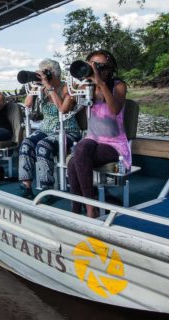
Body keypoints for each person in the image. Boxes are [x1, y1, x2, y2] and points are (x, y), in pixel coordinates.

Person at [67, 50, 129, 218]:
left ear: (111, 69)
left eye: (102, 67)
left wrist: (100, 83)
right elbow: (65, 108)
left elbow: (115, 109)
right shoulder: (86, 87)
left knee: (76, 158)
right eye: (93, 66)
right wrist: (72, 87)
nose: (97, 71)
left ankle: (89, 208)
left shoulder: (118, 86)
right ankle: (80, 207)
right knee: (77, 155)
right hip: (92, 140)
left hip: (114, 144)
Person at [18, 59, 80, 199]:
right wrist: (35, 85)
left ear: (55, 74)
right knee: (26, 144)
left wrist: (49, 87)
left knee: (43, 146)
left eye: (46, 72)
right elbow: (27, 105)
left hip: (67, 130)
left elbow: (63, 109)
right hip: (45, 129)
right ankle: (26, 186)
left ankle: (47, 188)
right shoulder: (42, 88)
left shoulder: (68, 88)